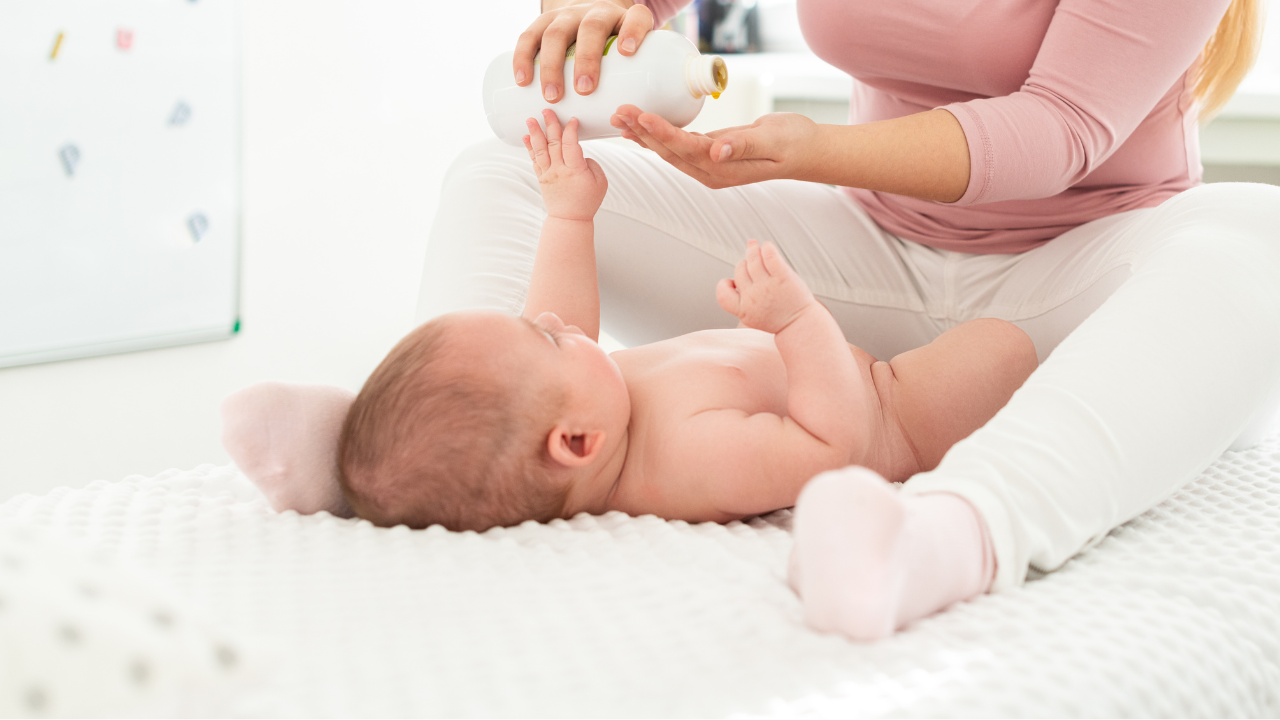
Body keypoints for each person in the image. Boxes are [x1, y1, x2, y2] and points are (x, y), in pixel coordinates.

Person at [420, 0, 1280, 640]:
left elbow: (1059, 130)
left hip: (1076, 288)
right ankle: (431, 436)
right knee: (504, 174)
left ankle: (946, 537)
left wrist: (814, 149)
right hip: (862, 266)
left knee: (1260, 235)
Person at [341, 112, 1036, 543]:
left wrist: (569, 216)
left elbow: (567, 318)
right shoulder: (685, 459)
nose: (552, 320)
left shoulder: (595, 406)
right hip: (893, 406)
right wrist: (794, 324)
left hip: (842, 366)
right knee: (1008, 348)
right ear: (576, 443)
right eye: (546, 339)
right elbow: (832, 444)